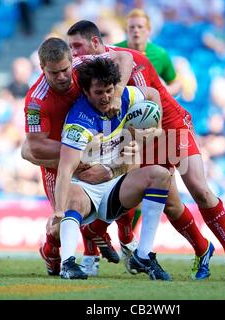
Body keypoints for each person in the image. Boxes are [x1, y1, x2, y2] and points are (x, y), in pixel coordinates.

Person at [67, 20, 225, 277]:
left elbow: (150, 100)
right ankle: (202, 249)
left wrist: (121, 100)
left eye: (78, 46)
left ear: (95, 43)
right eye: (71, 48)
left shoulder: (126, 58)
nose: (74, 53)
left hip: (170, 124)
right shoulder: (86, 72)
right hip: (140, 134)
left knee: (198, 187)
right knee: (169, 204)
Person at [21, 37, 134, 276]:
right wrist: (79, 151)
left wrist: (118, 94)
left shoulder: (84, 64)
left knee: (121, 189)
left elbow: (125, 57)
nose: (62, 77)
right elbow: (35, 147)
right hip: (58, 164)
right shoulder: (35, 100)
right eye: (54, 73)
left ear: (71, 60)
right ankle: (51, 251)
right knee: (60, 223)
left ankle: (96, 231)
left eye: (65, 69)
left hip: (92, 152)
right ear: (42, 68)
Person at [53, 57, 171, 281]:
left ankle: (143, 255)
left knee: (162, 176)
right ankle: (67, 263)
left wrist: (156, 129)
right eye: (98, 92)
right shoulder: (78, 122)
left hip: (116, 186)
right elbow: (64, 171)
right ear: (86, 92)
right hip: (86, 191)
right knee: (72, 195)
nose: (106, 97)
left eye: (109, 90)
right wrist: (58, 213)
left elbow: (153, 95)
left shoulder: (125, 96)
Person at [114, 8, 182, 97]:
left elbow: (175, 82)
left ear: (148, 30)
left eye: (140, 27)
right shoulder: (115, 50)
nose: (136, 30)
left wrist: (166, 92)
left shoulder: (160, 54)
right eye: (132, 27)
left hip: (148, 104)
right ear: (126, 30)